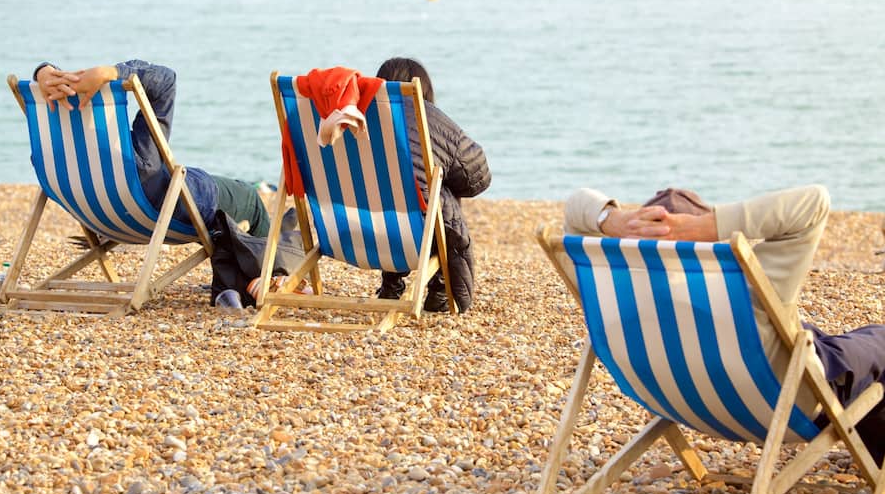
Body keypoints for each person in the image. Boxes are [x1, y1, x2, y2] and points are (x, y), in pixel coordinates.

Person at [564, 184, 885, 465]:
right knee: (878, 341)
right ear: (698, 241)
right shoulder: (740, 289)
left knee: (829, 338)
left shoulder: (618, 292)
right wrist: (705, 226)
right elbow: (814, 200)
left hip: (682, 400)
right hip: (787, 403)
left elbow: (576, 204)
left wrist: (616, 221)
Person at [31, 59, 270, 238]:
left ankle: (234, 265)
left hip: (100, 218)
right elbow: (166, 80)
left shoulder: (64, 164)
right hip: (160, 207)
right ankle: (273, 271)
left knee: (212, 204)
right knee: (250, 199)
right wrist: (112, 72)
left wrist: (43, 71)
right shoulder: (139, 167)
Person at [373, 57, 492, 313]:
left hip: (357, 231)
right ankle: (441, 287)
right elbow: (478, 176)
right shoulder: (427, 118)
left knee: (399, 189)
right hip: (418, 234)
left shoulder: (351, 118)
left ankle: (391, 283)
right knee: (440, 188)